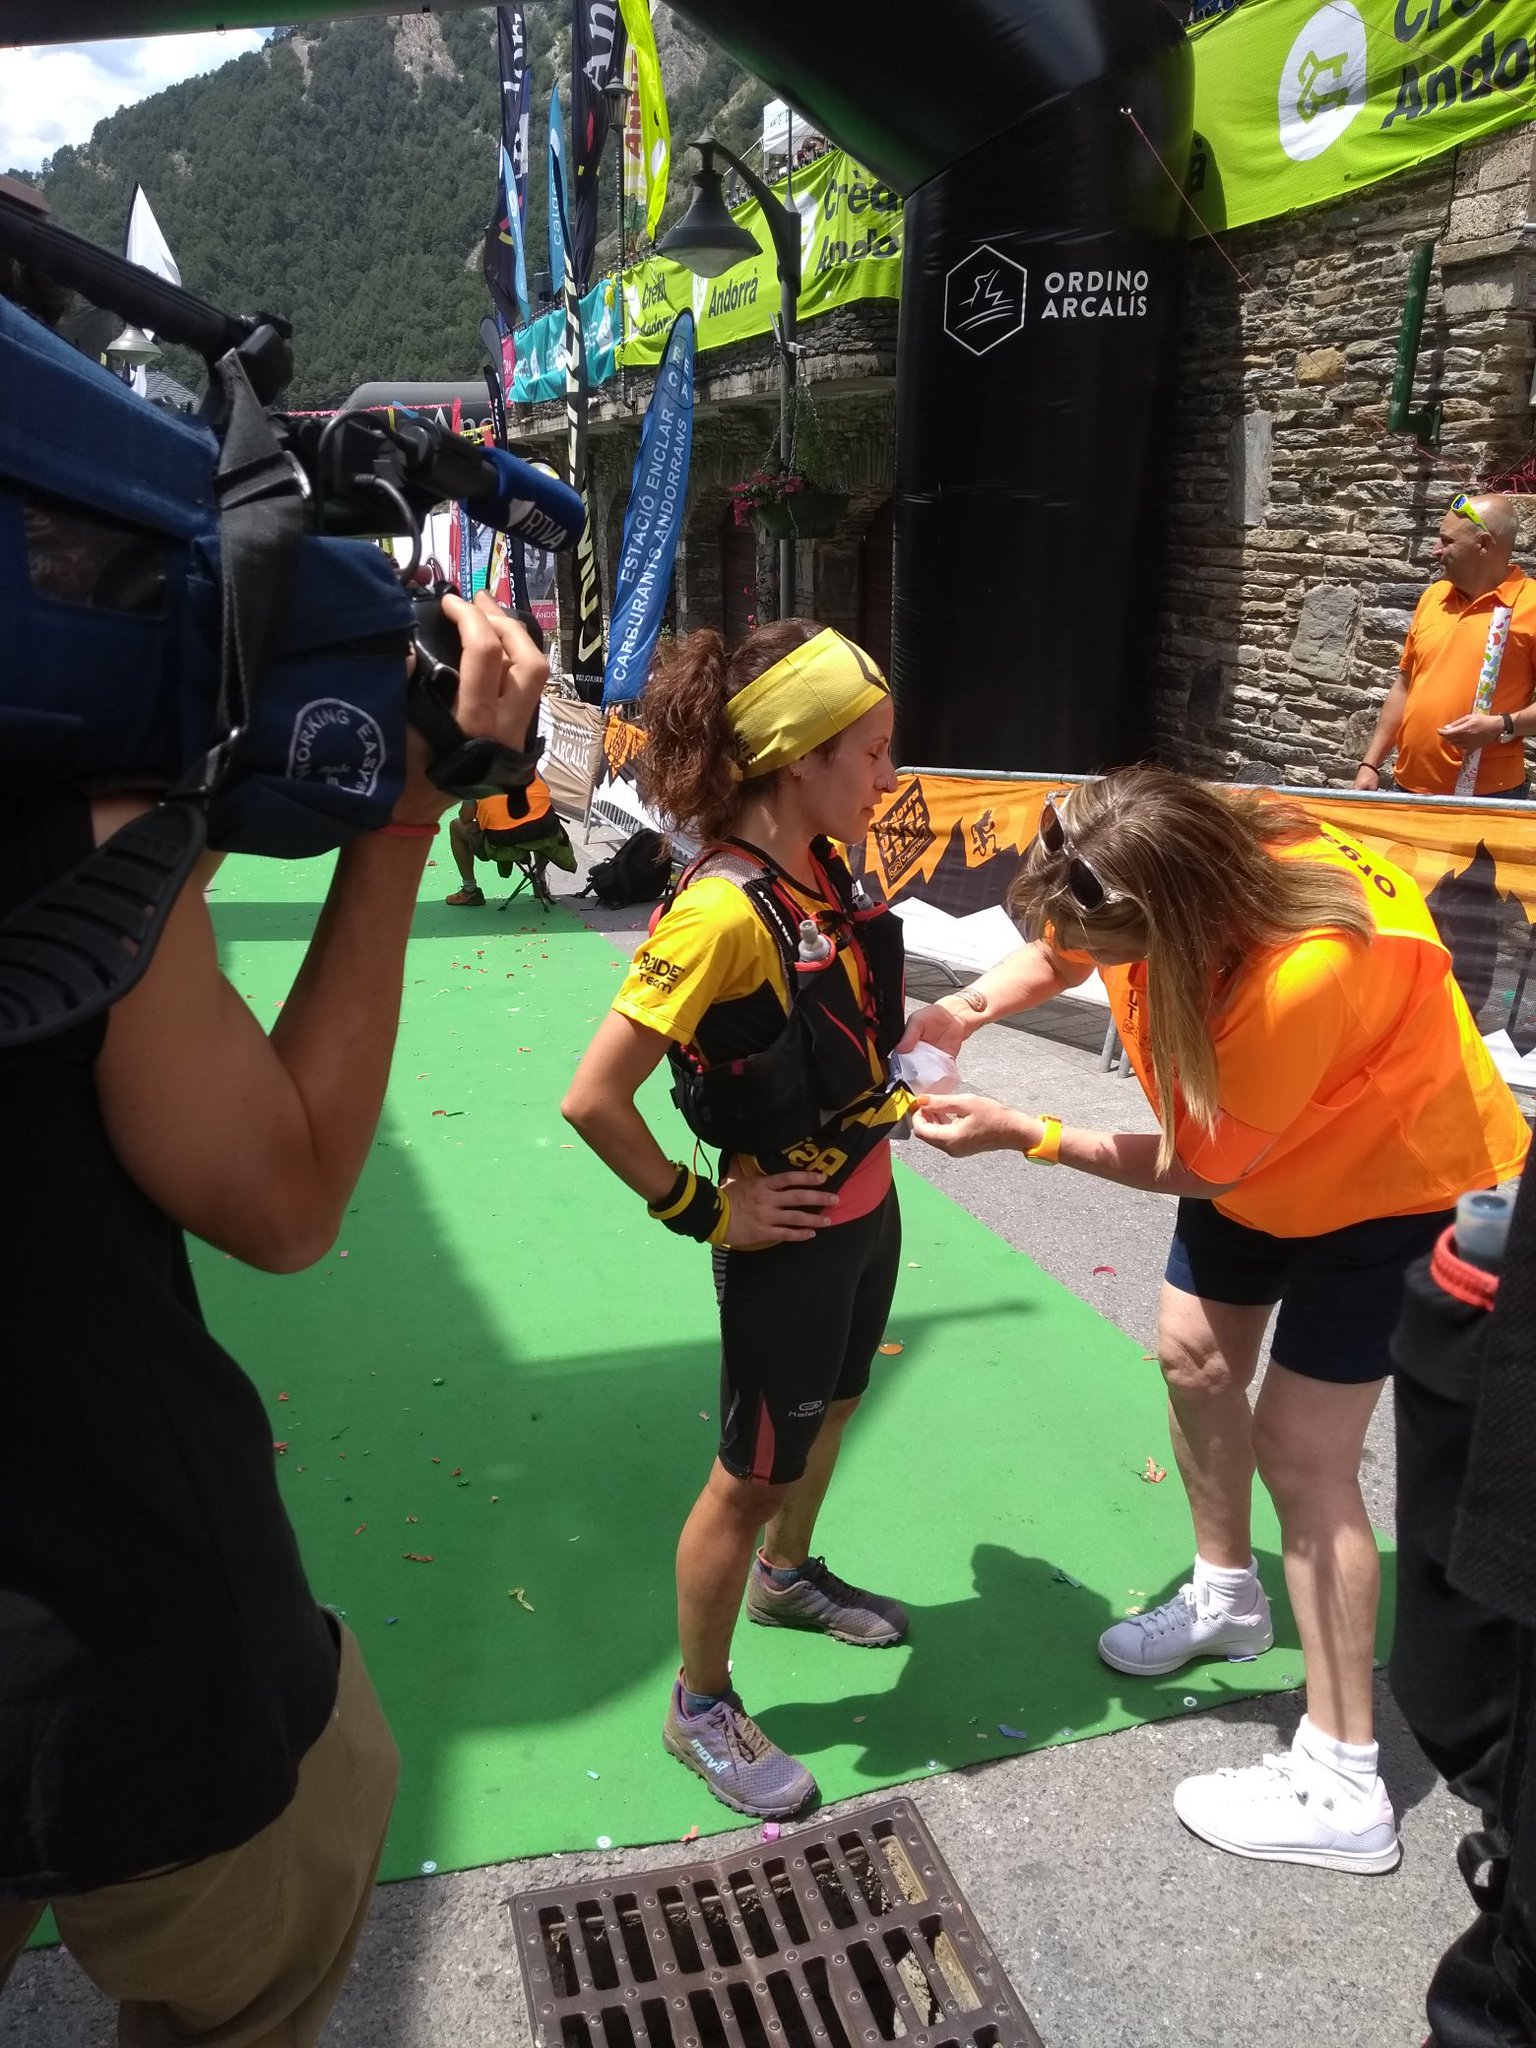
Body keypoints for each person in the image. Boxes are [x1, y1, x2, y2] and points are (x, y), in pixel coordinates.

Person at [0, 577, 548, 2042]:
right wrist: (409, 813)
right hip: (129, 1651)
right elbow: (284, 1198)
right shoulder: (70, 828)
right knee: (261, 1963)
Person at [902, 766, 1529, 1872]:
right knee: (1192, 1356)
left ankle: (1345, 1781)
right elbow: (1070, 945)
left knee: (1302, 1452)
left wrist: (1026, 1131)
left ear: (1181, 929)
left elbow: (1200, 1164)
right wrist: (959, 1010)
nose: (1084, 956)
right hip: (1259, 1147)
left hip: (1391, 1179)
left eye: (1117, 947)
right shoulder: (1162, 845)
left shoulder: (1301, 973)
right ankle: (1228, 1595)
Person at [562, 619, 913, 1821]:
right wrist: (706, 1207)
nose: (887, 776)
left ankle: (786, 1577)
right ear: (801, 755)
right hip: (787, 1243)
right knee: (748, 1477)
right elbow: (593, 1097)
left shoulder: (823, 864)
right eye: (872, 750)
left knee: (840, 1407)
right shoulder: (719, 911)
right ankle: (699, 1702)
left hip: (867, 1210)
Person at [1355, 492, 1536, 799]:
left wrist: (1501, 725)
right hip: (1407, 785)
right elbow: (1405, 685)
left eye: (1447, 541)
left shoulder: (1530, 605)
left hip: (1487, 796)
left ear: (1483, 544)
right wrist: (1370, 764)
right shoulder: (1434, 596)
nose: (1435, 550)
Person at [443, 779, 576, 908]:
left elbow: (465, 818)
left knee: (456, 826)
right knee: (537, 819)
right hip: (546, 837)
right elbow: (545, 793)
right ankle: (540, 881)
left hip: (503, 842)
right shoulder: (527, 766)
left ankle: (470, 890)